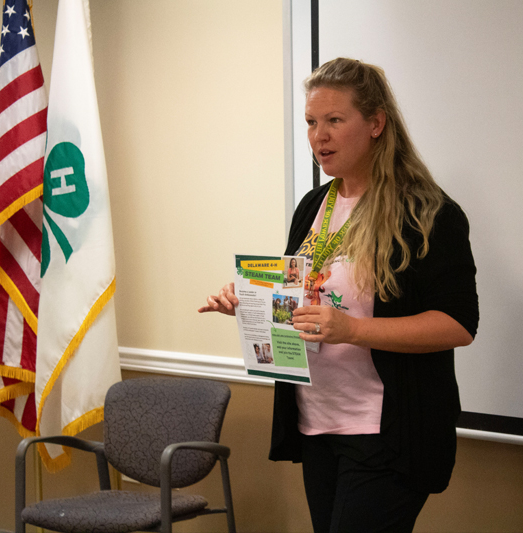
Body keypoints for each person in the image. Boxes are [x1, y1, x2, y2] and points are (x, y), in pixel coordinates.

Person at [199, 57, 478, 533]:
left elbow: (457, 324)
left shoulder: (427, 211)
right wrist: (251, 304)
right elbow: (302, 300)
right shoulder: (315, 205)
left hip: (388, 434)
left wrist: (352, 329)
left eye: (334, 120)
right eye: (311, 122)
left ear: (375, 123)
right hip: (317, 424)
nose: (318, 136)